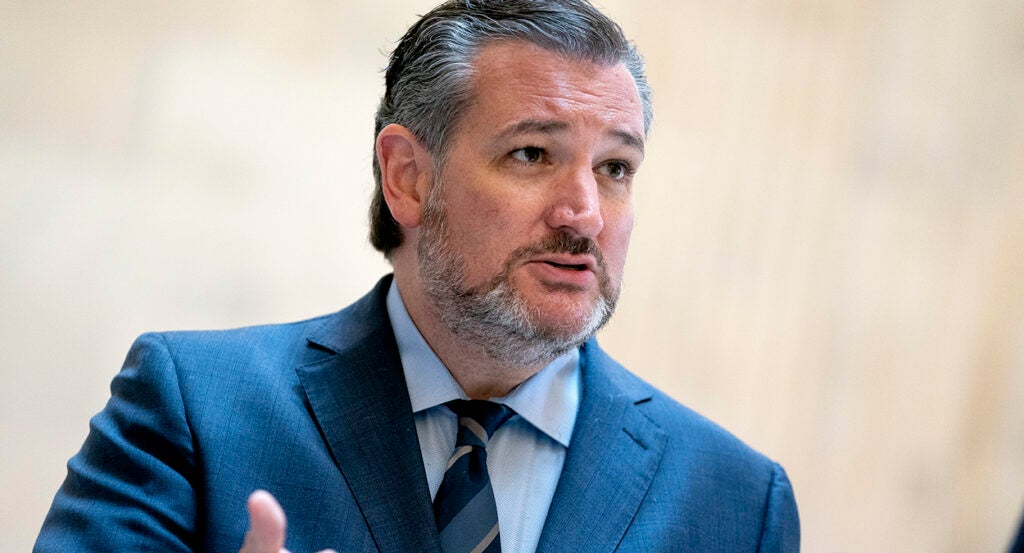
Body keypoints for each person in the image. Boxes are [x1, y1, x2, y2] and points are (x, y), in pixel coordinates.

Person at [34, 1, 799, 552]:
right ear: (406, 177)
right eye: (532, 154)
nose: (586, 213)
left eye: (616, 167)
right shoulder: (196, 407)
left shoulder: (734, 500)